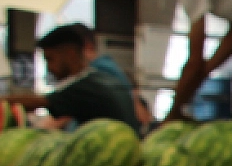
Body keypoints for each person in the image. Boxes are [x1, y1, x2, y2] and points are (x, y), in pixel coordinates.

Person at [2, 24, 140, 130]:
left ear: (70, 53)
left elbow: (38, 102)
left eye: (50, 59)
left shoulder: (86, 86)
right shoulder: (100, 78)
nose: (49, 68)